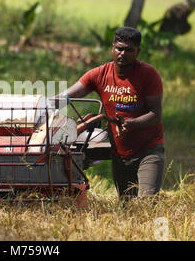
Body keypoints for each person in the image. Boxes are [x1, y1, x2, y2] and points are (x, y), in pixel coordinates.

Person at [58, 26, 165, 201]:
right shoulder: (100, 74)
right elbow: (67, 96)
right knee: (126, 204)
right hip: (120, 152)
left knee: (147, 202)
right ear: (112, 48)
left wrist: (131, 123)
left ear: (138, 52)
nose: (123, 54)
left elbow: (155, 115)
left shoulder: (148, 75)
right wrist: (40, 104)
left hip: (148, 149)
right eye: (119, 48)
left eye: (129, 50)